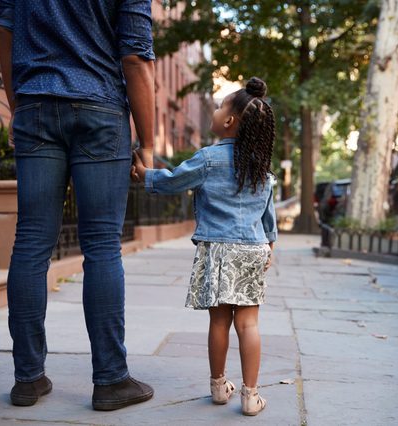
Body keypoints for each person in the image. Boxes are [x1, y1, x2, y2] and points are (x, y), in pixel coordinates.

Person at [0, 0, 155, 410]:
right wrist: (149, 143)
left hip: (35, 106)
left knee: (31, 243)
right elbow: (135, 58)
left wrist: (18, 108)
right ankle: (111, 380)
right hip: (101, 108)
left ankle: (27, 379)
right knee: (102, 246)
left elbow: (5, 32)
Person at [132, 77, 277, 416]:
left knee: (219, 323)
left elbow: (173, 181)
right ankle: (251, 395)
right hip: (253, 250)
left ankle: (218, 386)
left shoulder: (209, 159)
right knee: (249, 324)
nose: (214, 110)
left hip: (218, 249)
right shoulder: (262, 169)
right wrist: (270, 245)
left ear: (229, 121)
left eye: (219, 106)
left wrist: (145, 175)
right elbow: (267, 214)